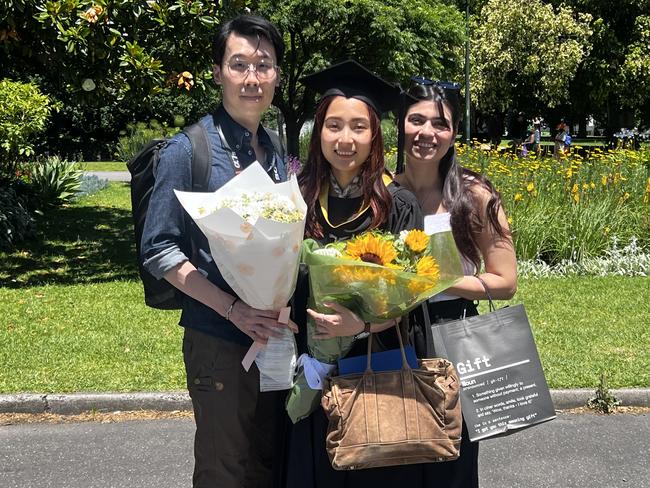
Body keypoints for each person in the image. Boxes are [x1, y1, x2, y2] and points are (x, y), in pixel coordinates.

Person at [140, 14, 291, 488]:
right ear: (218, 72)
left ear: (277, 76)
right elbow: (159, 250)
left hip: (274, 340)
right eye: (239, 63)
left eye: (263, 65)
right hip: (219, 341)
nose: (252, 77)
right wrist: (234, 310)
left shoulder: (274, 148)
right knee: (223, 469)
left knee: (267, 463)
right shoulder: (189, 150)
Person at [283, 60, 424, 487]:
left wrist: (360, 324)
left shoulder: (398, 204)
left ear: (375, 135)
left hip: (373, 368)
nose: (345, 140)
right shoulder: (295, 199)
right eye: (334, 126)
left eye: (358, 127)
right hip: (308, 370)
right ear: (318, 132)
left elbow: (410, 294)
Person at [393, 77, 518, 487]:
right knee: (393, 452)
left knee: (452, 459)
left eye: (440, 124)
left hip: (454, 339)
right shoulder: (381, 190)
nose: (427, 133)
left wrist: (440, 282)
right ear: (400, 124)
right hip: (393, 335)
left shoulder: (474, 195)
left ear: (453, 133)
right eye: (416, 120)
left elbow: (505, 281)